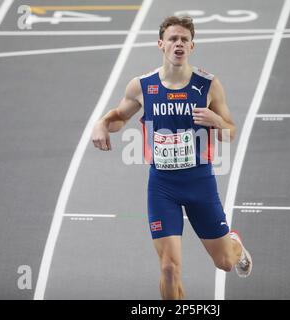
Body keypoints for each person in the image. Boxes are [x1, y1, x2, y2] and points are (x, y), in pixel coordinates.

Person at [92, 16, 252, 300]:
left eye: (183, 40)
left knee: (225, 262)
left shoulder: (208, 86)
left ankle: (234, 245)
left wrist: (216, 120)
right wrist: (100, 124)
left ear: (192, 46)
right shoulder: (142, 86)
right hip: (162, 186)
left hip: (200, 183)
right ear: (161, 44)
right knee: (168, 268)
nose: (178, 44)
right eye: (173, 39)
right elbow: (118, 117)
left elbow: (231, 133)